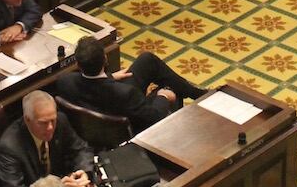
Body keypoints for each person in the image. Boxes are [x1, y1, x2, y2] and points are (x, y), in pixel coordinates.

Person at [55, 34, 208, 132]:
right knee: (173, 90)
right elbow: (153, 117)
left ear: (79, 65)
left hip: (107, 102)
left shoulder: (64, 82)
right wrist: (163, 97)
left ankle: (198, 94)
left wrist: (110, 77)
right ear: (105, 60)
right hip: (130, 127)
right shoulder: (127, 94)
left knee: (146, 60)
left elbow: (93, 86)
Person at [0, 89, 93, 187]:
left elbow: (81, 149)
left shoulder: (60, 121)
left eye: (53, 120)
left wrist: (83, 173)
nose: (50, 127)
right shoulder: (10, 146)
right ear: (27, 119)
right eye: (43, 123)